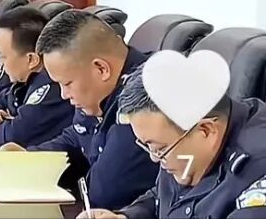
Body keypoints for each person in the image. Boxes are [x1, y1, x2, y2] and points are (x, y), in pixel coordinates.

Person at [0, 10, 155, 210]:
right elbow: (76, 138)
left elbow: (105, 192)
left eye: (67, 83)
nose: (63, 94)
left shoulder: (146, 97)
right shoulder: (96, 94)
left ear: (101, 69)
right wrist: (29, 159)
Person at [79, 67, 266, 219]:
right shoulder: (181, 145)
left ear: (206, 131)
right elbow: (164, 197)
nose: (155, 158)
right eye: (149, 147)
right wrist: (126, 216)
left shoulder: (257, 173)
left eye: (159, 149)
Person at [0, 6, 73, 147]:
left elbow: (13, 136)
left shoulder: (52, 87)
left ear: (31, 60)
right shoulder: (24, 82)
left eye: (3, 56)